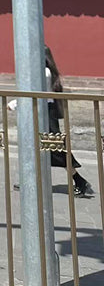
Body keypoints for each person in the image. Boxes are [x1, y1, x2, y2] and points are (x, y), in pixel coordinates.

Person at [45, 45, 93, 197]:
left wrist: (13, 104)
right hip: (45, 111)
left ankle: (80, 181)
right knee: (39, 148)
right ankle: (32, 180)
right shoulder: (47, 72)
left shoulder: (43, 73)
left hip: (46, 113)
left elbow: (34, 92)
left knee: (57, 149)